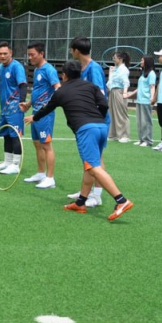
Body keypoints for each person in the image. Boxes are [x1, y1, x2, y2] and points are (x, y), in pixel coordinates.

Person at [25, 60, 134, 221]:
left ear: (64, 75)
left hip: (86, 130)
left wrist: (34, 117)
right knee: (89, 165)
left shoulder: (61, 92)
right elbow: (104, 104)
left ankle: (121, 201)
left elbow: (47, 108)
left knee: (93, 167)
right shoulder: (91, 86)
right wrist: (96, 117)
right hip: (101, 127)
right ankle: (81, 202)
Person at [68, 37, 108, 205]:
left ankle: (96, 196)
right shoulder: (82, 69)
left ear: (76, 50)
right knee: (89, 157)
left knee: (96, 159)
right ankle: (86, 191)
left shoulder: (94, 69)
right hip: (87, 120)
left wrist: (95, 117)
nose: (70, 52)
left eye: (71, 49)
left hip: (96, 120)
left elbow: (101, 97)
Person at [20, 42, 60, 189]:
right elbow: (38, 91)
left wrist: (47, 107)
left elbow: (58, 89)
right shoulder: (38, 70)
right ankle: (41, 173)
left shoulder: (49, 70)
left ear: (41, 54)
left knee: (46, 145)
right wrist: (29, 104)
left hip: (45, 114)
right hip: (35, 112)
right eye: (29, 55)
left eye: (32, 55)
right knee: (37, 144)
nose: (30, 57)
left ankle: (50, 178)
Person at [0, 42, 27, 176]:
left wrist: (22, 102)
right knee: (6, 134)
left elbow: (23, 85)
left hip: (15, 107)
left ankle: (16, 164)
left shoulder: (17, 67)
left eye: (5, 53)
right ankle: (7, 161)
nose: (2, 56)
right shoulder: (1, 67)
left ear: (11, 53)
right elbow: (2, 82)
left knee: (15, 135)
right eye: (0, 54)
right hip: (4, 107)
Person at [124, 56, 157, 147]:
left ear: (147, 62)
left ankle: (148, 140)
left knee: (146, 121)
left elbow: (152, 86)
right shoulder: (143, 74)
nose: (140, 62)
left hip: (146, 101)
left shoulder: (151, 73)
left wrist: (152, 98)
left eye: (142, 60)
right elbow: (139, 88)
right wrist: (129, 95)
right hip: (140, 100)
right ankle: (141, 139)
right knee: (140, 121)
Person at [106, 52, 131, 142]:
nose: (113, 59)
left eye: (115, 58)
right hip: (113, 91)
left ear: (120, 59)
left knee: (121, 114)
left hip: (119, 92)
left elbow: (126, 82)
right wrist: (110, 72)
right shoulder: (116, 69)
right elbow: (110, 82)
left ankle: (124, 136)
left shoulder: (123, 69)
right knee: (111, 113)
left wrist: (124, 93)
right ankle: (113, 135)